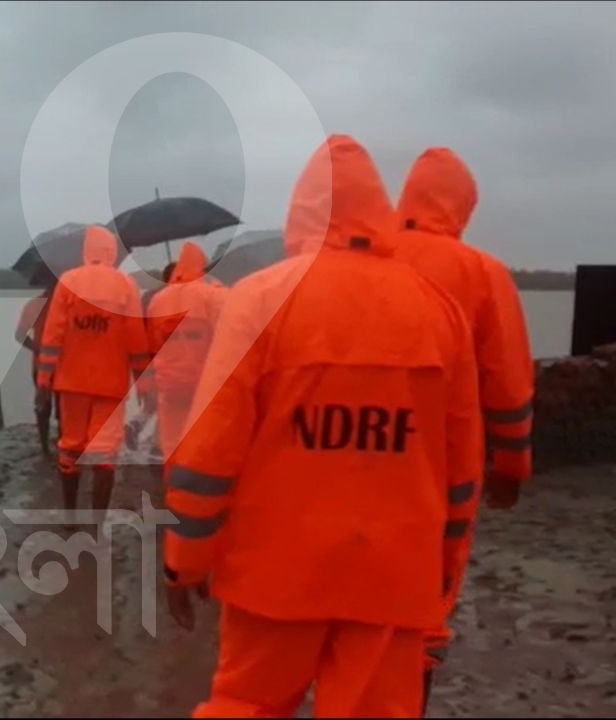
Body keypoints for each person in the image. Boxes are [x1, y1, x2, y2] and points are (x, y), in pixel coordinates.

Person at [162, 135, 484, 717]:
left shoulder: (260, 299)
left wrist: (183, 561)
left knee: (244, 705)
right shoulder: (438, 309)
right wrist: (442, 573)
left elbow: (211, 453)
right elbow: (461, 470)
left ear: (300, 212)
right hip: (392, 576)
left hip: (272, 576)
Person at [392, 147, 535, 707]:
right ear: (462, 206)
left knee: (349, 604)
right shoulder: (482, 273)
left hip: (347, 453)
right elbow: (508, 382)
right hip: (443, 466)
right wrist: (513, 465)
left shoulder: (359, 255)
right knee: (426, 605)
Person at [36, 225, 154, 523]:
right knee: (104, 455)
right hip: (111, 385)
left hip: (71, 383)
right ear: (111, 251)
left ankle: (70, 516)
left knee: (70, 447)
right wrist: (144, 384)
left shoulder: (68, 281)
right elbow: (136, 340)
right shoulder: (126, 285)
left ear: (86, 252)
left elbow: (52, 337)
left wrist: (43, 382)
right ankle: (97, 525)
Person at [144, 241, 229, 465]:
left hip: (169, 384)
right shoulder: (212, 295)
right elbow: (228, 339)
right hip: (203, 384)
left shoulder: (157, 300)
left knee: (171, 446)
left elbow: (153, 347)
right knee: (204, 445)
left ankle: (171, 491)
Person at [16, 283, 59, 453]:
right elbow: (20, 335)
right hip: (49, 366)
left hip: (49, 365)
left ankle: (47, 447)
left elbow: (20, 335)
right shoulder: (36, 305)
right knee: (48, 407)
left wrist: (37, 349)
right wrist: (38, 349)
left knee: (50, 407)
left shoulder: (35, 305)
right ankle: (48, 447)